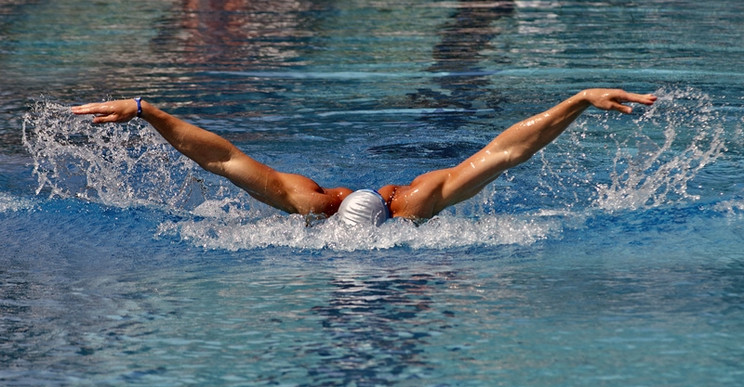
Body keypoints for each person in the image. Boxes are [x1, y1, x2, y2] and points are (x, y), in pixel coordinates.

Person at [71, 89, 656, 225]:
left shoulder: (311, 204)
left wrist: (150, 109)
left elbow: (223, 159)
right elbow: (502, 154)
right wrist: (145, 109)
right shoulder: (408, 207)